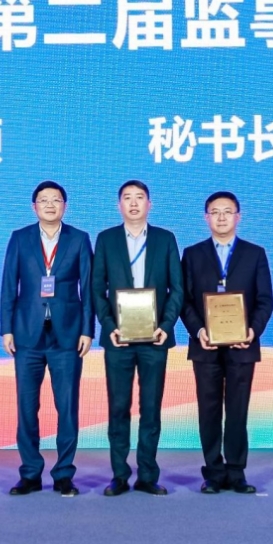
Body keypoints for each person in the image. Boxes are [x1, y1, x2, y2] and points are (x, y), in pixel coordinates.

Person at [0, 181, 94, 497]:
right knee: (27, 408)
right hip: (27, 335)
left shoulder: (79, 239)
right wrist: (6, 329)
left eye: (56, 200)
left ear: (65, 206)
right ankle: (30, 473)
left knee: (67, 408)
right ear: (34, 207)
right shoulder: (20, 238)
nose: (50, 205)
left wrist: (87, 330)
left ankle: (64, 474)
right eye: (44, 200)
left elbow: (88, 288)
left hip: (67, 336)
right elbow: (8, 285)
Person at [91, 180, 183, 496]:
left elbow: (177, 289)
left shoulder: (165, 239)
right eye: (127, 198)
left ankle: (147, 475)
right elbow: (96, 289)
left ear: (149, 204)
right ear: (119, 205)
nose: (133, 203)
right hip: (118, 338)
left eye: (139, 197)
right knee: (118, 408)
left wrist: (166, 325)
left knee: (151, 408)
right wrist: (108, 325)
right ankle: (119, 475)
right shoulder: (106, 239)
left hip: (154, 338)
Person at [180, 191, 273, 494]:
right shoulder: (192, 254)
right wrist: (198, 331)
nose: (221, 217)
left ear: (238, 217)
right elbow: (184, 300)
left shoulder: (254, 253)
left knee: (237, 410)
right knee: (208, 411)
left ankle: (236, 472)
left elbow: (265, 300)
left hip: (242, 346)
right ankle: (213, 472)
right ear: (206, 217)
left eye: (227, 211)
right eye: (215, 212)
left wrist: (252, 331)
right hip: (205, 346)